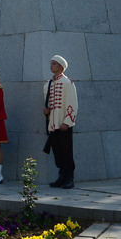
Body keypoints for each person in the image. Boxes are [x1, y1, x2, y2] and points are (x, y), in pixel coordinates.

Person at [44, 54, 78, 189]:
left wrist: (67, 121)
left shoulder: (67, 82)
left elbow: (72, 104)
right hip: (52, 123)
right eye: (51, 63)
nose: (51, 66)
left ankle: (70, 178)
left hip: (63, 123)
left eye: (54, 63)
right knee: (57, 151)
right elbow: (48, 103)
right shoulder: (48, 84)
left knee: (66, 151)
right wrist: (46, 111)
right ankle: (61, 176)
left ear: (61, 66)